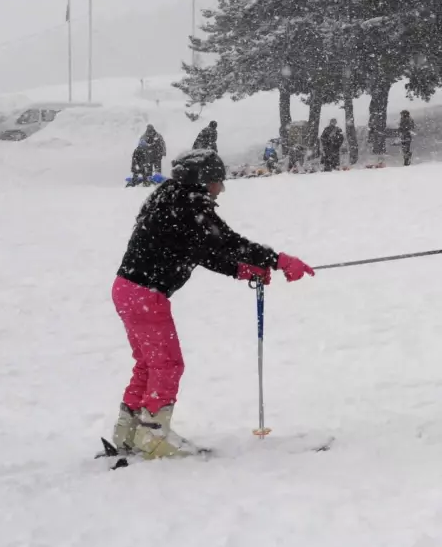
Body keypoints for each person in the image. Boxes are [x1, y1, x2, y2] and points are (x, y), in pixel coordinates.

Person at [110, 149, 315, 459]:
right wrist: (278, 260)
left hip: (127, 289)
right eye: (217, 181)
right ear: (201, 180)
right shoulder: (189, 206)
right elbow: (228, 241)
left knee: (149, 363)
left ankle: (127, 431)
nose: (220, 188)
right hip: (146, 296)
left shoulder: (171, 198)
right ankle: (152, 434)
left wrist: (240, 270)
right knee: (167, 364)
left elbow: (200, 250)